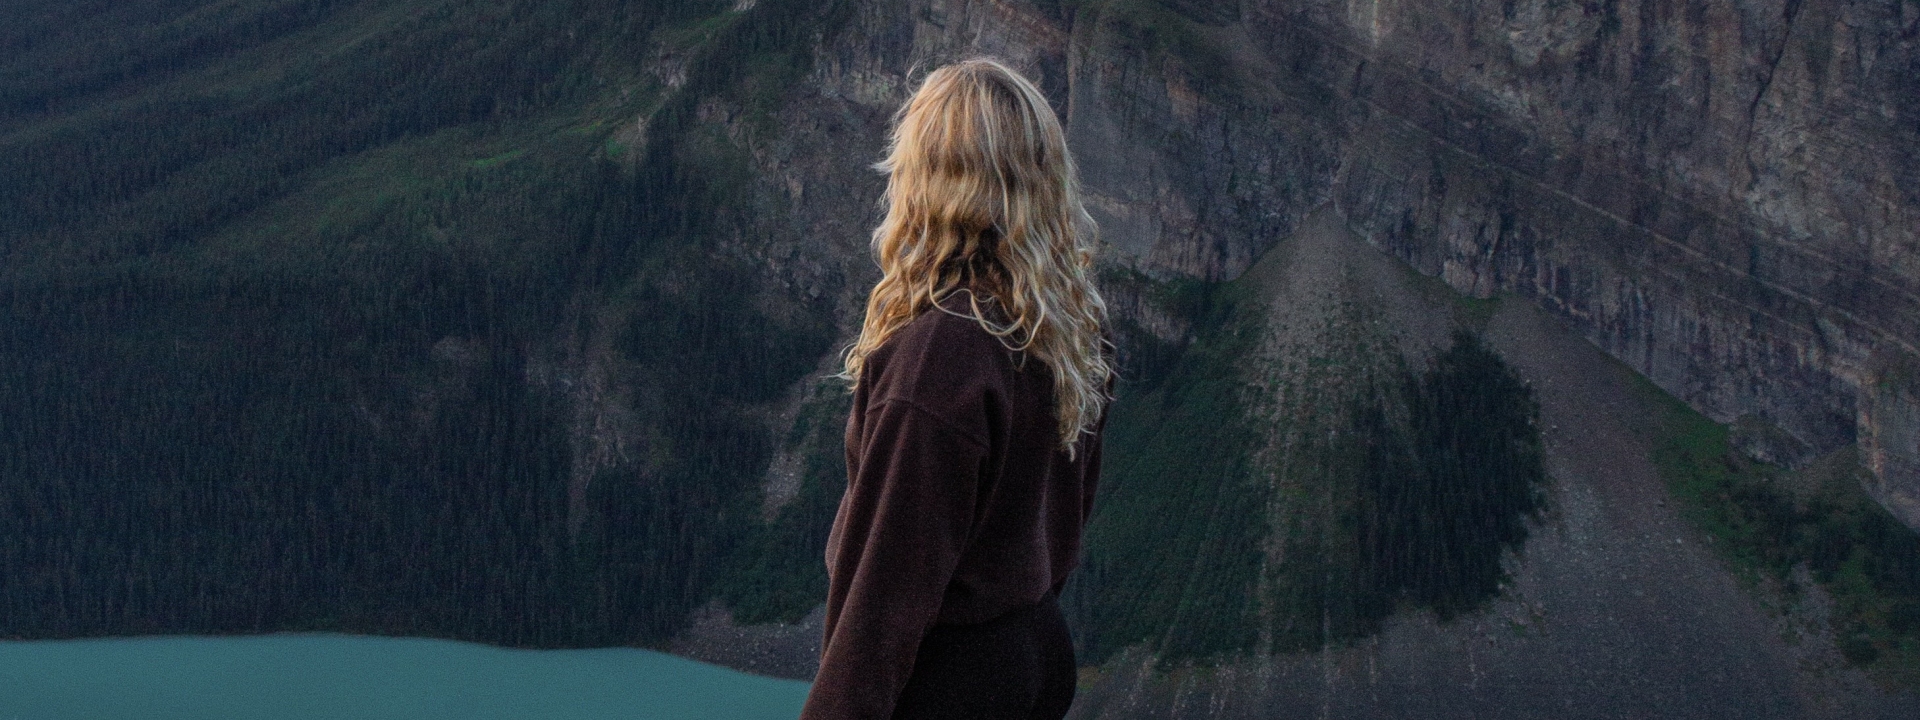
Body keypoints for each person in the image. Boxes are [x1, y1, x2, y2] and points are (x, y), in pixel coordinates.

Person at [797, 58, 1115, 720]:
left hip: (948, 683)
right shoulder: (1066, 325)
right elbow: (1067, 516)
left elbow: (886, 590)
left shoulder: (942, 355)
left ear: (927, 179)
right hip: (1033, 649)